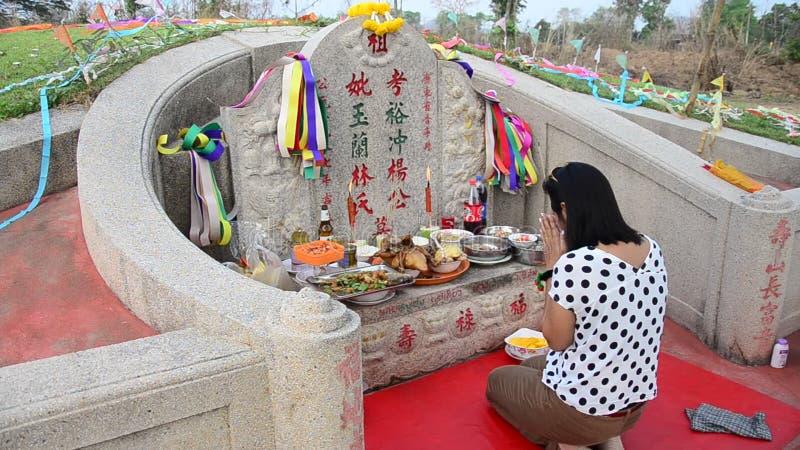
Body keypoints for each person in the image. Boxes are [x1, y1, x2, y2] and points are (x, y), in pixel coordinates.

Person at [486, 162, 668, 450]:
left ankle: (570, 441)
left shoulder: (578, 264)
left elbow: (556, 341)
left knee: (497, 382)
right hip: (632, 406)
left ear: (566, 209)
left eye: (556, 213)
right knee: (532, 365)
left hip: (581, 413)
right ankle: (605, 439)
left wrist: (552, 268)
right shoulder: (651, 247)